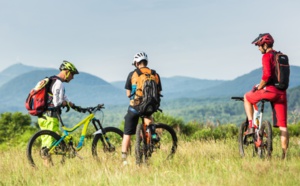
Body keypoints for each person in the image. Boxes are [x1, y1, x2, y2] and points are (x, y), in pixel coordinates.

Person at [244, 33, 289, 159]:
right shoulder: (280, 56)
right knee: (283, 126)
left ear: (264, 44)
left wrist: (259, 87)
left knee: (247, 97)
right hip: (282, 93)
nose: (258, 48)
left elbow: (267, 76)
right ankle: (284, 157)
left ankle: (251, 125)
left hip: (270, 92)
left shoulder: (266, 56)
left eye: (259, 45)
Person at [121, 52, 162, 165]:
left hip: (135, 107)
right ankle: (152, 136)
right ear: (146, 62)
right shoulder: (154, 74)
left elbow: (128, 94)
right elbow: (159, 92)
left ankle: (124, 160)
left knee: (127, 133)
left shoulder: (132, 74)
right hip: (149, 106)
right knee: (149, 120)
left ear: (136, 63)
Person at [39, 60, 83, 165]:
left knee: (47, 141)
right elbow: (57, 102)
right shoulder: (58, 83)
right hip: (51, 116)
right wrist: (64, 104)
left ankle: (48, 168)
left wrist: (72, 105)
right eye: (72, 74)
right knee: (49, 145)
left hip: (43, 116)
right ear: (67, 72)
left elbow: (63, 97)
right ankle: (49, 168)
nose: (72, 77)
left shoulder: (52, 80)